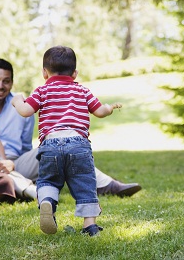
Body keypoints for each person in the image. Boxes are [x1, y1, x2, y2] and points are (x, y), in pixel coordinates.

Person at [0, 59, 141, 200]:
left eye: (6, 81)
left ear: (12, 82)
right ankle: (27, 188)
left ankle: (107, 184)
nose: (0, 86)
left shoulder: (21, 105)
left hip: (16, 162)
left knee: (58, 146)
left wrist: (14, 164)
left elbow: (25, 145)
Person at [12, 45, 122, 236]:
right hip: (78, 143)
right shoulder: (82, 91)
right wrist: (109, 107)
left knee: (48, 180)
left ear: (44, 72)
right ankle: (90, 225)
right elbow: (100, 112)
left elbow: (25, 111)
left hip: (50, 144)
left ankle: (46, 202)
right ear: (75, 73)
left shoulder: (42, 91)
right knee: (85, 182)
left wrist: (17, 101)